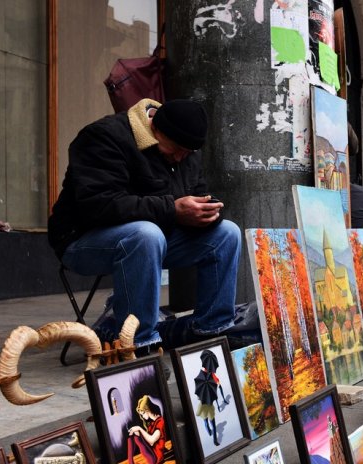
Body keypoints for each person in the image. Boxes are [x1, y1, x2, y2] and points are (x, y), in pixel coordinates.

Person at [48, 99, 241, 353]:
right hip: (82, 240)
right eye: (176, 149)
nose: (181, 157)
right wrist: (173, 209)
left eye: (188, 153)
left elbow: (195, 194)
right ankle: (137, 344)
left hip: (155, 240)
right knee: (145, 235)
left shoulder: (186, 151)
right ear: (155, 128)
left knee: (227, 233)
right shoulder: (103, 137)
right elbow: (98, 206)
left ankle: (210, 331)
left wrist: (206, 211)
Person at [128, 395, 168, 464]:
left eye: (143, 413)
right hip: (152, 453)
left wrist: (139, 428)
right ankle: (130, 462)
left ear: (147, 409)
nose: (142, 417)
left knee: (136, 436)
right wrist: (138, 433)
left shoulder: (160, 422)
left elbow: (151, 441)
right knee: (134, 434)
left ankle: (130, 462)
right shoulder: (151, 423)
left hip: (156, 457)